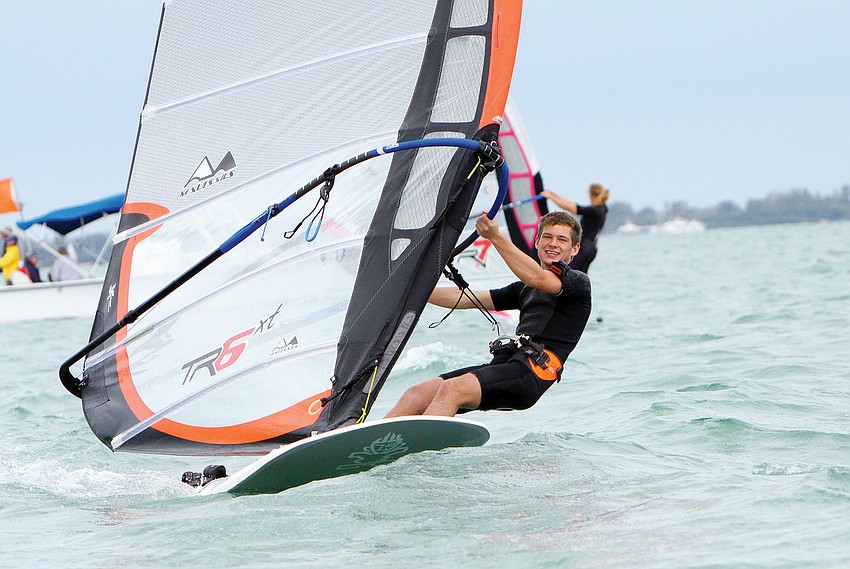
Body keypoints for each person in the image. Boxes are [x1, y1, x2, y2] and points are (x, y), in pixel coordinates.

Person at [385, 211, 591, 418]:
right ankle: (369, 443)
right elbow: (466, 298)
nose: (553, 243)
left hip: (532, 375)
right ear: (537, 241)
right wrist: (410, 292)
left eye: (562, 239)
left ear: (574, 248)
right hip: (507, 365)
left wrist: (495, 236)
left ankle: (424, 442)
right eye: (547, 237)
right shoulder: (523, 289)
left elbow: (538, 278)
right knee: (416, 394)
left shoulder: (578, 283)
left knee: (452, 390)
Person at [541, 183, 609, 273]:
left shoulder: (594, 210)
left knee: (569, 274)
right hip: (591, 248)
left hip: (584, 248)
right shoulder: (603, 208)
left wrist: (551, 197)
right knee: (580, 276)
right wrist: (552, 194)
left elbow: (571, 207)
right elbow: (571, 204)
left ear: (592, 195)